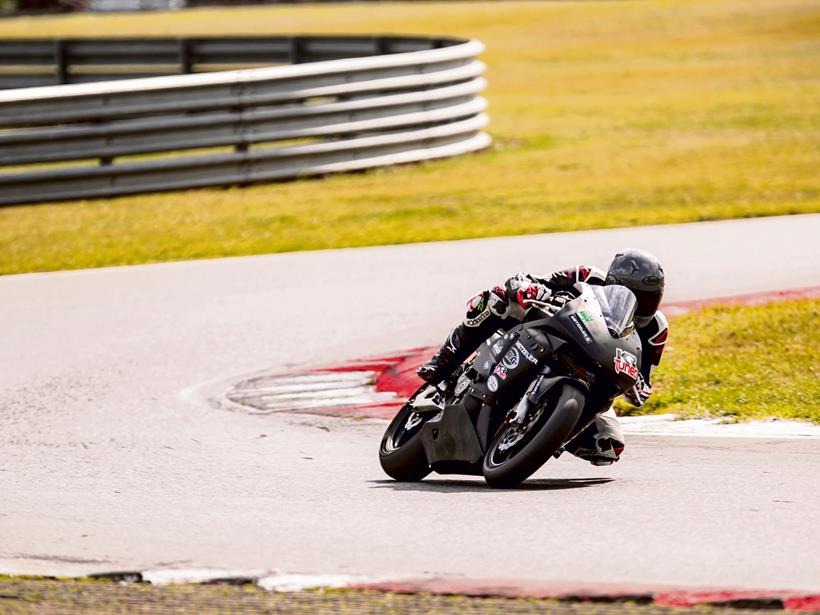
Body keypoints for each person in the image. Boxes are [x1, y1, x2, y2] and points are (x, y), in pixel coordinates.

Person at [416, 249, 668, 466]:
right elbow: (532, 281)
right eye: (635, 295)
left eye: (649, 298)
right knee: (497, 299)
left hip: (592, 376)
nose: (641, 305)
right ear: (615, 284)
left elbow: (644, 382)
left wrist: (637, 385)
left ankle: (545, 434)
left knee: (608, 446)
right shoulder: (587, 276)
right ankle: (443, 362)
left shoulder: (655, 330)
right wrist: (531, 289)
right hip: (547, 333)